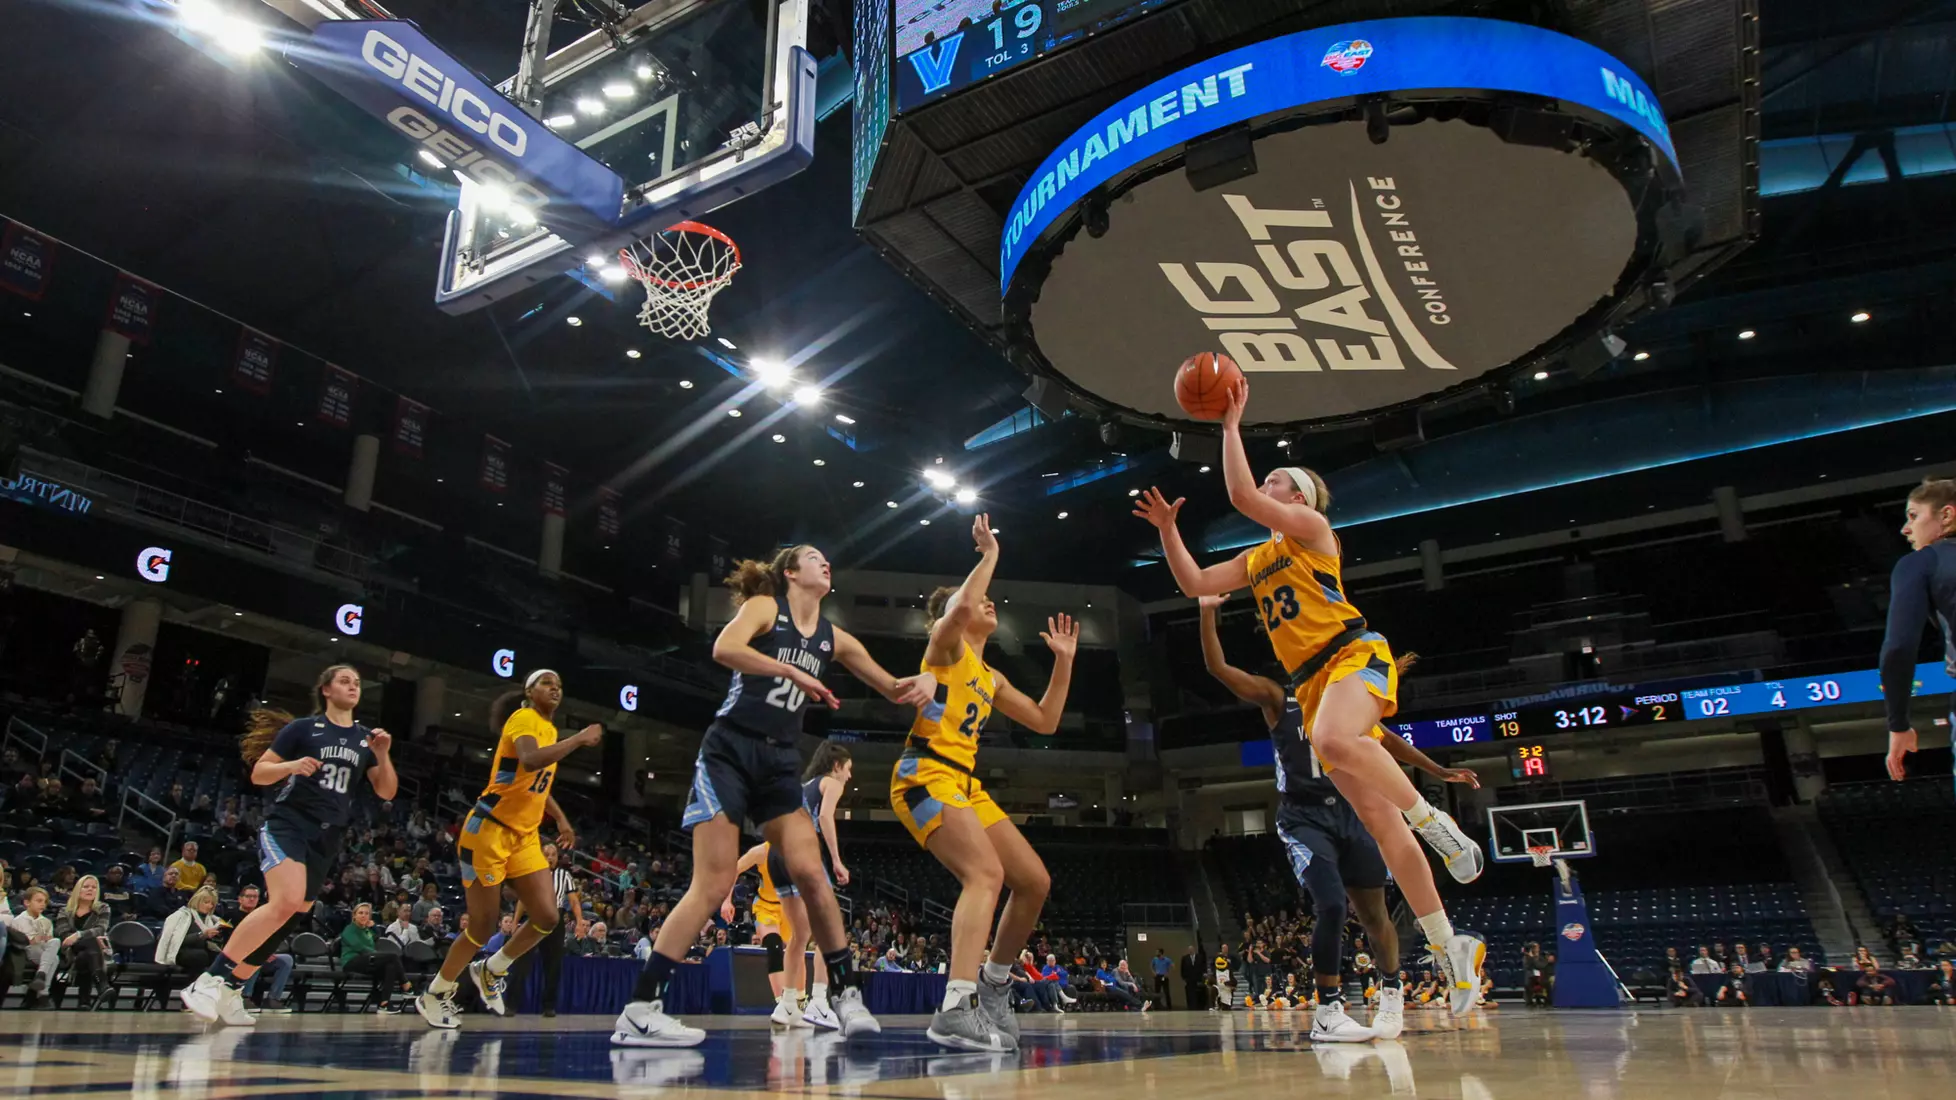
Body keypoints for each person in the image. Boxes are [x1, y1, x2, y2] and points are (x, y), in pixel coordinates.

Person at [1133, 383, 1485, 1011]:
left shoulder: (1314, 531)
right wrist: (1168, 529)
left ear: (1298, 497)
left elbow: (1240, 494)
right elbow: (1193, 582)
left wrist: (1232, 422)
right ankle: (1447, 943)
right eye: (1266, 482)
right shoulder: (1260, 557)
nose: (1263, 488)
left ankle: (1439, 824)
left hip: (1354, 654)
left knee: (1328, 741)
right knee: (1378, 822)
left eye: (1275, 481)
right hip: (1316, 681)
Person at [616, 545, 934, 1047]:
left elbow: (896, 689)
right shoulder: (768, 608)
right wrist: (787, 670)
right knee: (714, 881)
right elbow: (725, 649)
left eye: (828, 558)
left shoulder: (835, 638)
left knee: (812, 871)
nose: (826, 562)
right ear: (790, 572)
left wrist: (928, 678)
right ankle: (640, 1007)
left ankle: (846, 994)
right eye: (813, 557)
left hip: (781, 762)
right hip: (730, 752)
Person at [1198, 593, 1480, 1041]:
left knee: (1375, 916)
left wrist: (1438, 769)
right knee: (1329, 904)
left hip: (1353, 813)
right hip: (1305, 817)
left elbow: (1390, 741)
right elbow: (1219, 669)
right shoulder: (1279, 697)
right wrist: (1208, 611)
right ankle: (1328, 1008)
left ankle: (1391, 996)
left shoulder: (1344, 696)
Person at [894, 515, 1078, 1052]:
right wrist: (990, 555)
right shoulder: (945, 650)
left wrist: (1063, 664)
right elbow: (957, 611)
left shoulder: (990, 676)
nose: (990, 602)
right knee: (985, 874)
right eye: (980, 598)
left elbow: (1045, 721)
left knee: (1034, 881)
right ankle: (955, 1006)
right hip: (923, 774)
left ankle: (995, 987)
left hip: (964, 784)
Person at [180, 664, 398, 1027]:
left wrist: (384, 753)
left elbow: (387, 791)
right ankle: (209, 980)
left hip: (328, 836)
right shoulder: (302, 729)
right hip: (290, 824)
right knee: (285, 901)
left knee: (290, 915)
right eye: (345, 681)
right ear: (326, 690)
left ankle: (233, 988)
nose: (353, 686)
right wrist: (294, 765)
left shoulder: (365, 739)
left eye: (358, 683)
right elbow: (259, 772)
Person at [416, 670, 598, 1030]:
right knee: (481, 927)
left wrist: (561, 819)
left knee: (548, 917)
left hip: (525, 836)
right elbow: (531, 761)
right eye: (547, 683)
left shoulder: (547, 730)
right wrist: (578, 739)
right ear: (529, 692)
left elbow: (537, 784)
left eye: (559, 683)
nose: (555, 687)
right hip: (488, 831)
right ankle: (435, 993)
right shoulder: (522, 718)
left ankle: (492, 968)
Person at [1879, 477, 1956, 786]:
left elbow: (1898, 648)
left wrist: (1898, 724)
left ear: (1947, 515)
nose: (1905, 529)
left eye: (1913, 516)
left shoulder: (1920, 563)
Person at [792, 740, 855, 1030]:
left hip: (784, 854)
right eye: (849, 769)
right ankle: (818, 999)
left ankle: (788, 1004)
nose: (849, 776)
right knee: (829, 927)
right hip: (807, 852)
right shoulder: (831, 782)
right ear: (837, 765)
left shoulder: (808, 784)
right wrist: (837, 860)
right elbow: (825, 817)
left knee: (799, 935)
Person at [226, 885, 293, 1010]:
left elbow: (269, 938)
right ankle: (244, 997)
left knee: (286, 960)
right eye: (248, 896)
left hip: (261, 955)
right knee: (256, 958)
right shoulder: (232, 916)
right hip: (238, 957)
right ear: (240, 899)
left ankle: (273, 998)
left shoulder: (263, 917)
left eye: (255, 897)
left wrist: (268, 952)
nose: (252, 899)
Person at [54, 874, 111, 1007]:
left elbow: (101, 929)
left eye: (94, 887)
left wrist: (78, 935)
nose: (90, 890)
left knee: (87, 953)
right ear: (78, 890)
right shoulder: (65, 911)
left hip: (93, 953)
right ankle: (101, 985)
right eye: (86, 887)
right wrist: (80, 937)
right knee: (91, 942)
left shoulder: (103, 908)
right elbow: (64, 934)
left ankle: (85, 1002)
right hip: (70, 953)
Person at [341, 902, 410, 1011]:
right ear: (354, 915)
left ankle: (384, 1003)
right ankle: (406, 985)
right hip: (351, 961)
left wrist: (374, 927)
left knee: (391, 967)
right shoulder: (349, 929)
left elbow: (378, 938)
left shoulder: (367, 931)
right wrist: (375, 954)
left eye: (367, 913)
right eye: (360, 913)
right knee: (393, 956)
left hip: (367, 960)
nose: (364, 915)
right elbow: (360, 948)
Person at [158, 886, 226, 974]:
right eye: (206, 902)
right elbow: (176, 941)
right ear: (197, 901)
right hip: (180, 952)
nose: (210, 906)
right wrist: (201, 935)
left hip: (202, 951)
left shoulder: (212, 919)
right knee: (200, 956)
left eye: (212, 904)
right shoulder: (182, 916)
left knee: (221, 957)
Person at [9, 886, 58, 1008]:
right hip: (26, 951)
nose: (43, 904)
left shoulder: (47, 921)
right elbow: (20, 942)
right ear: (27, 902)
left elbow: (49, 940)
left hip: (43, 951)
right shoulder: (18, 920)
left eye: (45, 901)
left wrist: (44, 939)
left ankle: (41, 978)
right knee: (54, 959)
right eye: (39, 901)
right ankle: (43, 992)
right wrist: (36, 939)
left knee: (56, 942)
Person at [1181, 944, 1205, 1012]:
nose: (1190, 951)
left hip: (1198, 979)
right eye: (1189, 950)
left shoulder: (1200, 957)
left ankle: (1199, 1007)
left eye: (1191, 949)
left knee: (1199, 993)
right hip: (1189, 979)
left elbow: (1203, 967)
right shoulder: (1185, 958)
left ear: (1194, 950)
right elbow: (1182, 969)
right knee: (1189, 994)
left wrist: (1203, 975)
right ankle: (1191, 1007)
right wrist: (1184, 978)